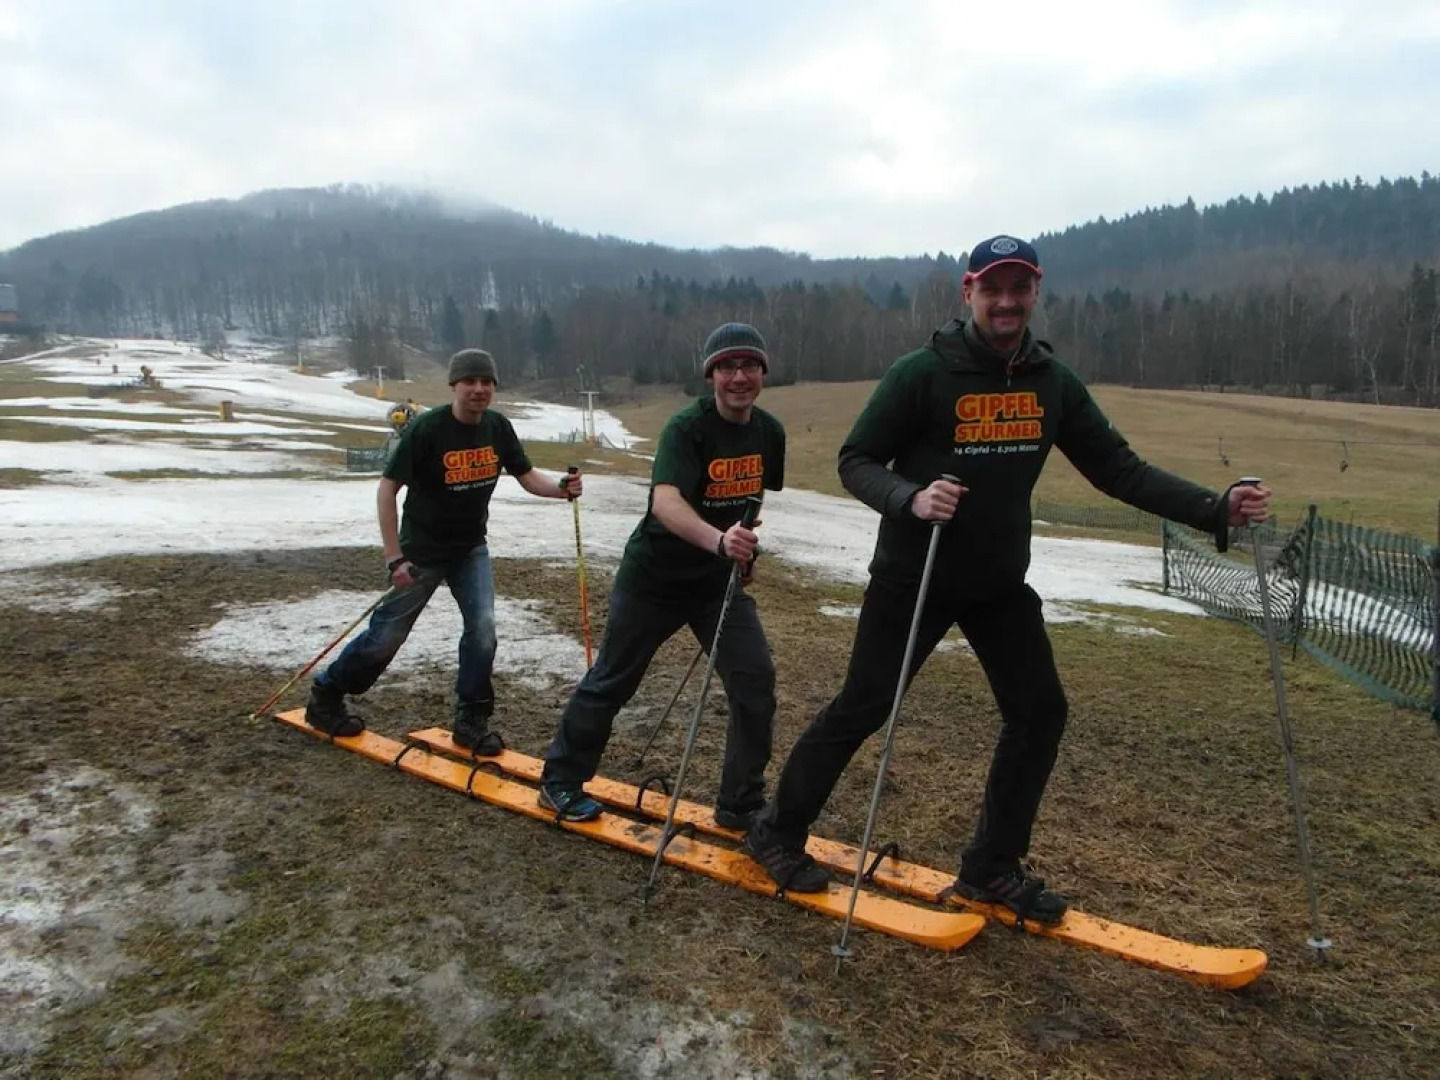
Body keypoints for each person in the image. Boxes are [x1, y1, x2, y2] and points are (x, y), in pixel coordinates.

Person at [743, 235, 1273, 917]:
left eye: (1019, 288)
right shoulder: (922, 373)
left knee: (1040, 712)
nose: (1006, 301)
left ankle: (991, 867)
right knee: (864, 706)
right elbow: (857, 459)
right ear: (969, 292)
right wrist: (911, 497)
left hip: (997, 584)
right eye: (993, 288)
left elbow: (1120, 469)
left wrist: (1214, 507)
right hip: (916, 575)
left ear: (1035, 292)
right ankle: (776, 830)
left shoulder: (1051, 382)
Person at [538, 323, 786, 823]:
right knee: (613, 680)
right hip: (654, 579)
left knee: (754, 680)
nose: (739, 376)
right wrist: (718, 541)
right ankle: (560, 780)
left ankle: (740, 803)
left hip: (715, 585)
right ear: (711, 375)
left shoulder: (768, 432)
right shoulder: (685, 430)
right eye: (727, 367)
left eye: (749, 365)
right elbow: (665, 503)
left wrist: (743, 549)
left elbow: (750, 500)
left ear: (762, 372)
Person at [305, 348, 583, 753]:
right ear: (454, 385)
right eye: (470, 381)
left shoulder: (497, 428)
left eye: (486, 382)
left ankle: (471, 720)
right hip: (420, 554)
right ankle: (326, 696)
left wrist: (561, 489)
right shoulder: (427, 430)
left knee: (483, 630)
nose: (479, 389)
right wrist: (394, 557)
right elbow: (387, 490)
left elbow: (526, 476)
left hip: (470, 549)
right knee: (387, 637)